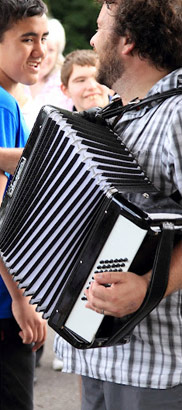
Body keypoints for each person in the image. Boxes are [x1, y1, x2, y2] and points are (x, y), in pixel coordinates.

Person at [54, 1, 182, 409]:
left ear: (126, 41)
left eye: (99, 28)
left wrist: (150, 286)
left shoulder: (177, 114)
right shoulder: (117, 114)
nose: (92, 40)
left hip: (155, 365)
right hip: (94, 352)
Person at [0, 1, 48, 409]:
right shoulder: (2, 103)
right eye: (26, 38)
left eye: (44, 38)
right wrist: (23, 298)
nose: (40, 50)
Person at [53, 48, 113, 372]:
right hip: (71, 263)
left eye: (95, 77)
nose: (90, 85)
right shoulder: (55, 132)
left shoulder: (121, 123)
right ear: (64, 90)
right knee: (84, 366)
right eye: (80, 79)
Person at [21, 17, 73, 130]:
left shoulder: (66, 84)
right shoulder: (14, 79)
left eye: (51, 50)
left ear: (58, 54)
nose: (43, 55)